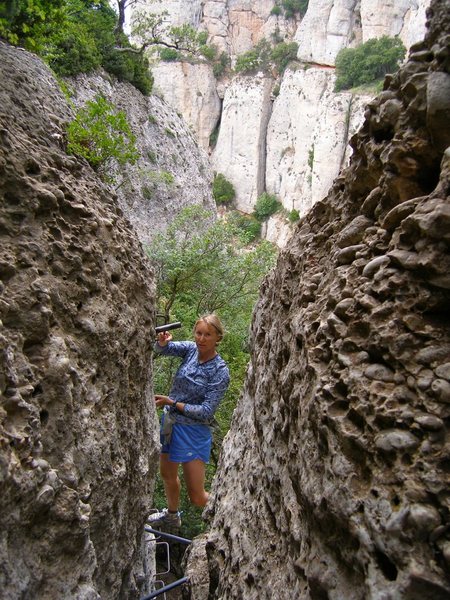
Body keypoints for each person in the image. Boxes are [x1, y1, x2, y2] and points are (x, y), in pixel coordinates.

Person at [148, 314, 230, 529]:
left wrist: (172, 402)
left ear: (218, 338)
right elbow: (164, 349)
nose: (201, 339)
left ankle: (231, 510)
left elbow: (206, 411)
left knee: (196, 495)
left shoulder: (220, 371)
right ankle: (172, 515)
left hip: (194, 432)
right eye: (199, 333)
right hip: (171, 422)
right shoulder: (191, 350)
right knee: (166, 473)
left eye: (208, 335)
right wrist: (162, 341)